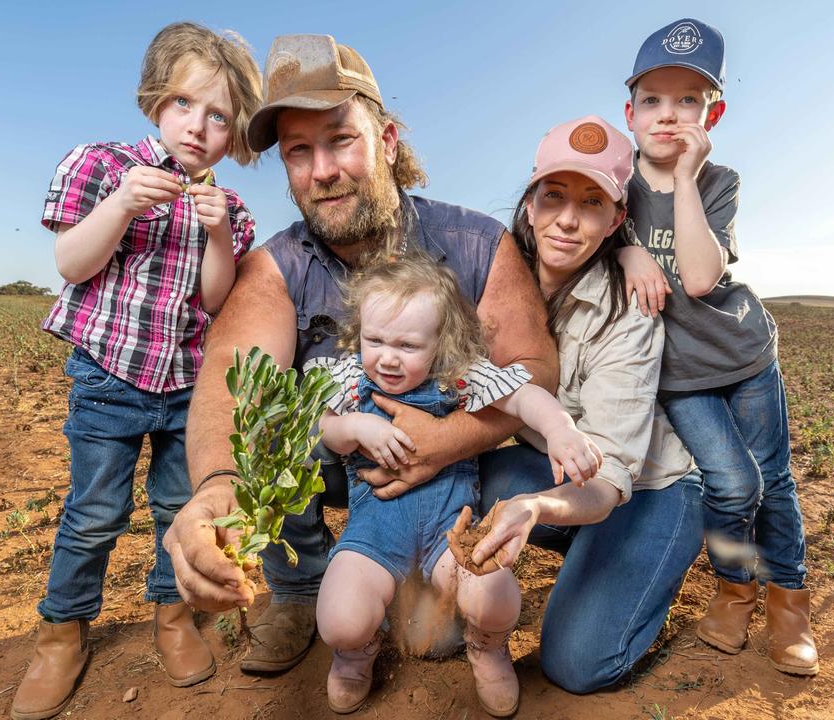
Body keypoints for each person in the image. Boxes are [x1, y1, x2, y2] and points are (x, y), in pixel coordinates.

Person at [160, 33, 557, 678]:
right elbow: (232, 387)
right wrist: (218, 489)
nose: (322, 170)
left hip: (461, 471)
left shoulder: (477, 242)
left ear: (388, 141)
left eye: (341, 139)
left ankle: (437, 568)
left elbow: (533, 371)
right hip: (342, 459)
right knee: (276, 420)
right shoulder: (275, 265)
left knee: (504, 511)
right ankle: (298, 587)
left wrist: (445, 439)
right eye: (298, 151)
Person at [11, 22, 264, 720]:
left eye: (220, 117)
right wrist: (123, 202)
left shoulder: (230, 209)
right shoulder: (101, 165)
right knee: (94, 513)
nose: (198, 126)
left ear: (235, 133)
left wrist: (216, 232)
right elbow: (70, 264)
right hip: (110, 377)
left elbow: (215, 299)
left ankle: (174, 619)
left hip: (187, 386)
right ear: (155, 100)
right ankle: (62, 632)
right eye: (185, 104)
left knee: (177, 510)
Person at [470, 114, 705, 694]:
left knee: (576, 666)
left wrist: (536, 509)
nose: (568, 221)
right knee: (466, 479)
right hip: (558, 468)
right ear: (530, 202)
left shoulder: (629, 310)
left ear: (616, 218)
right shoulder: (489, 278)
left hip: (644, 487)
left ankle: (643, 567)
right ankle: (587, 549)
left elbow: (610, 474)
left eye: (592, 202)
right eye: (554, 197)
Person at [309, 255, 600, 715]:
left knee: (494, 595)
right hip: (375, 533)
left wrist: (561, 430)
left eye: (407, 345)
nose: (386, 356)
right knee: (341, 619)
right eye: (375, 339)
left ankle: (487, 645)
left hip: (453, 531)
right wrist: (359, 427)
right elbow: (326, 427)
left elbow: (524, 396)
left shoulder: (458, 377)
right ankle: (353, 653)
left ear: (440, 341)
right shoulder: (350, 380)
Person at [616, 18, 818, 675]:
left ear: (714, 112)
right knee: (732, 484)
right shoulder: (616, 186)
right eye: (653, 99)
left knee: (776, 483)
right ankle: (736, 591)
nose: (668, 115)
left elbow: (702, 277)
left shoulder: (718, 180)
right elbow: (578, 225)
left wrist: (683, 179)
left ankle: (789, 608)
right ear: (630, 111)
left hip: (745, 357)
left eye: (688, 101)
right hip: (680, 376)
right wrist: (625, 252)